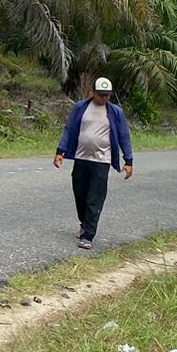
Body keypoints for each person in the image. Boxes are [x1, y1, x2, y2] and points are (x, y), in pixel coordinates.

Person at [53, 76, 135, 248]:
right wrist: (60, 151)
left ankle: (88, 236)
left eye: (107, 95)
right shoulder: (81, 107)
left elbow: (123, 136)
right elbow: (70, 128)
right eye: (100, 95)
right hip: (81, 158)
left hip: (101, 161)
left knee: (95, 198)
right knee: (80, 194)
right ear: (93, 92)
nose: (103, 98)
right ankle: (84, 224)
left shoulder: (114, 112)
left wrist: (128, 160)